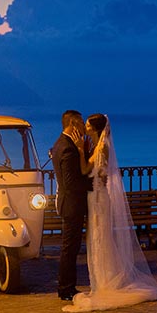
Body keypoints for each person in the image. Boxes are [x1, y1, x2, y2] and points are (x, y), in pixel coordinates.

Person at [63, 113, 157, 312]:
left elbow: (89, 171)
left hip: (99, 199)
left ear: (94, 128)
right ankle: (101, 281)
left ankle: (106, 282)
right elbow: (89, 171)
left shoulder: (102, 148)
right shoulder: (95, 146)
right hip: (95, 198)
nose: (84, 127)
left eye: (87, 124)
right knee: (97, 239)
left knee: (101, 239)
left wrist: (79, 150)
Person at [51, 110, 91, 301]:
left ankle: (66, 286)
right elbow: (70, 183)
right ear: (73, 124)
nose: (84, 127)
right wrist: (92, 185)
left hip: (69, 204)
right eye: (82, 123)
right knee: (69, 248)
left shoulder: (60, 143)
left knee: (70, 247)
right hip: (72, 205)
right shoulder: (67, 148)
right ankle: (66, 288)